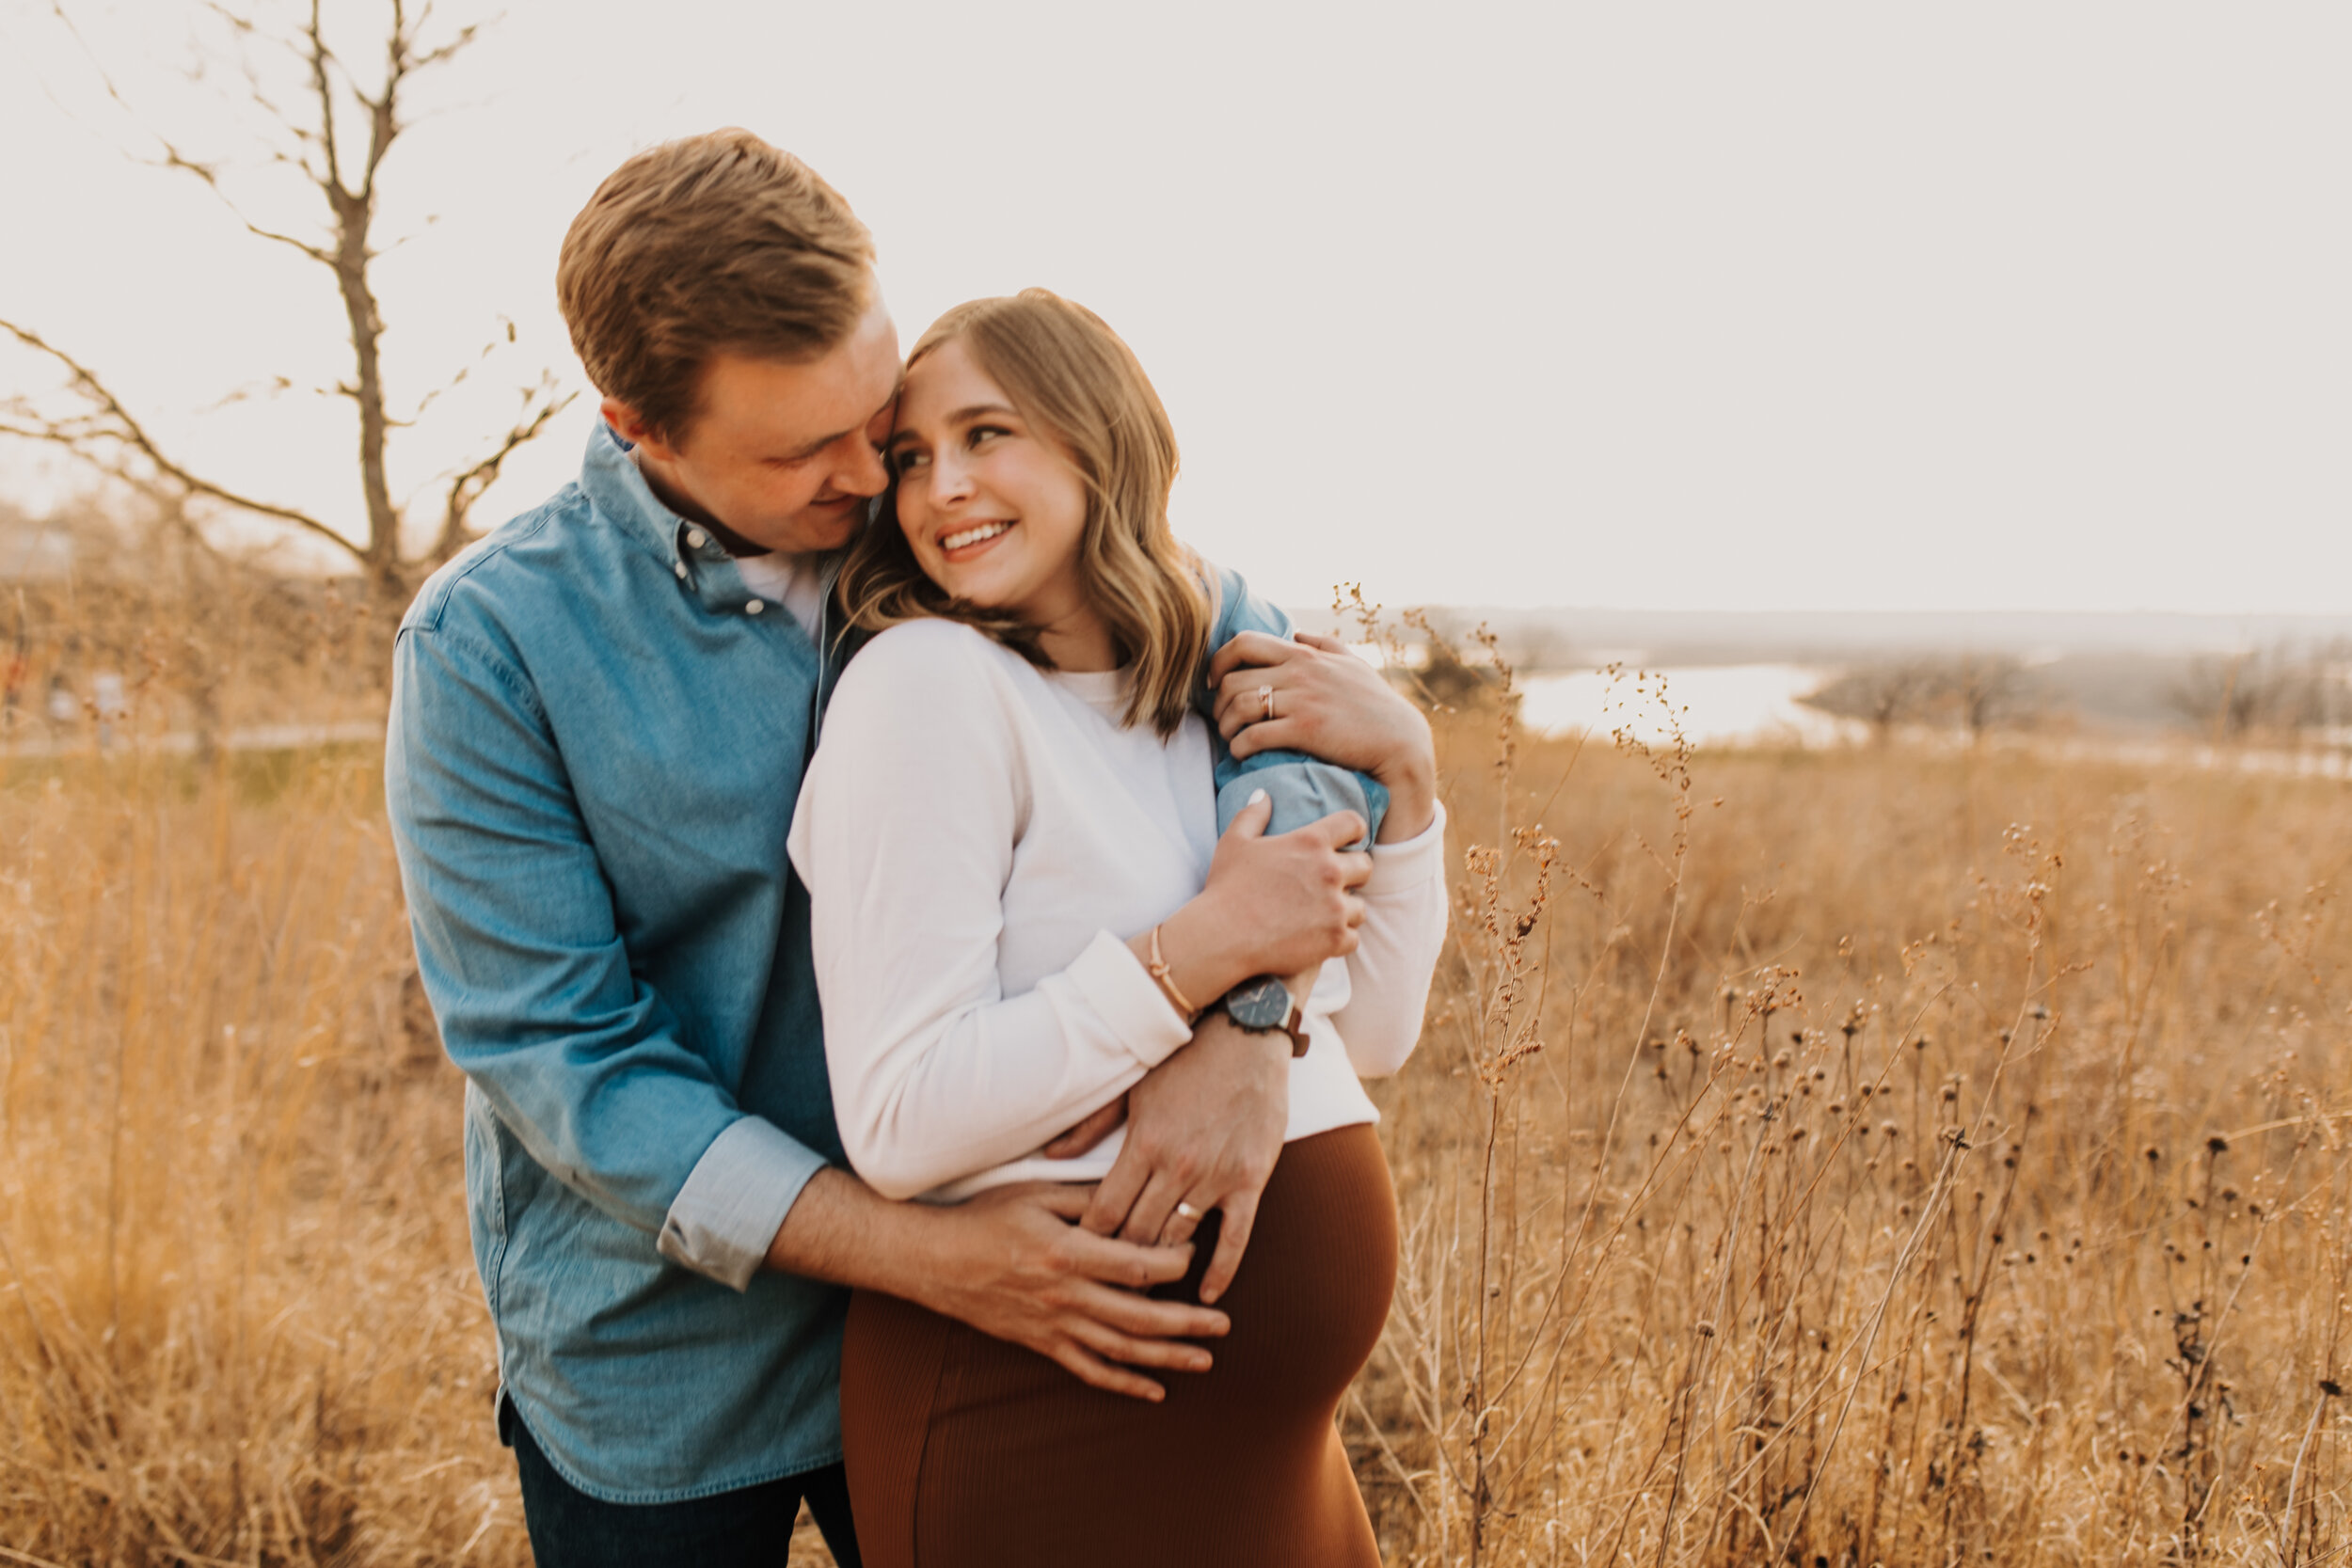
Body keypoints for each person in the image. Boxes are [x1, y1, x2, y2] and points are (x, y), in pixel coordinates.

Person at [384, 130, 1437, 1567]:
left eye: (871, 412)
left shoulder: (951, 516)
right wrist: (930, 1259)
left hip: (1023, 1322)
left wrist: (1248, 1018)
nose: (872, 471)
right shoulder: (494, 645)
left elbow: (1275, 708)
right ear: (640, 427)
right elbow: (560, 1053)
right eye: (803, 450)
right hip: (679, 1354)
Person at [789, 290, 1448, 1567]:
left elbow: (1370, 1034)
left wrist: (1410, 780)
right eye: (912, 459)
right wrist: (1199, 958)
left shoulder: (1226, 701)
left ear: (1102, 439)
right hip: (1048, 1430)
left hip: (1281, 1466)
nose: (942, 490)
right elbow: (901, 1119)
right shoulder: (929, 687)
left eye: (989, 435)